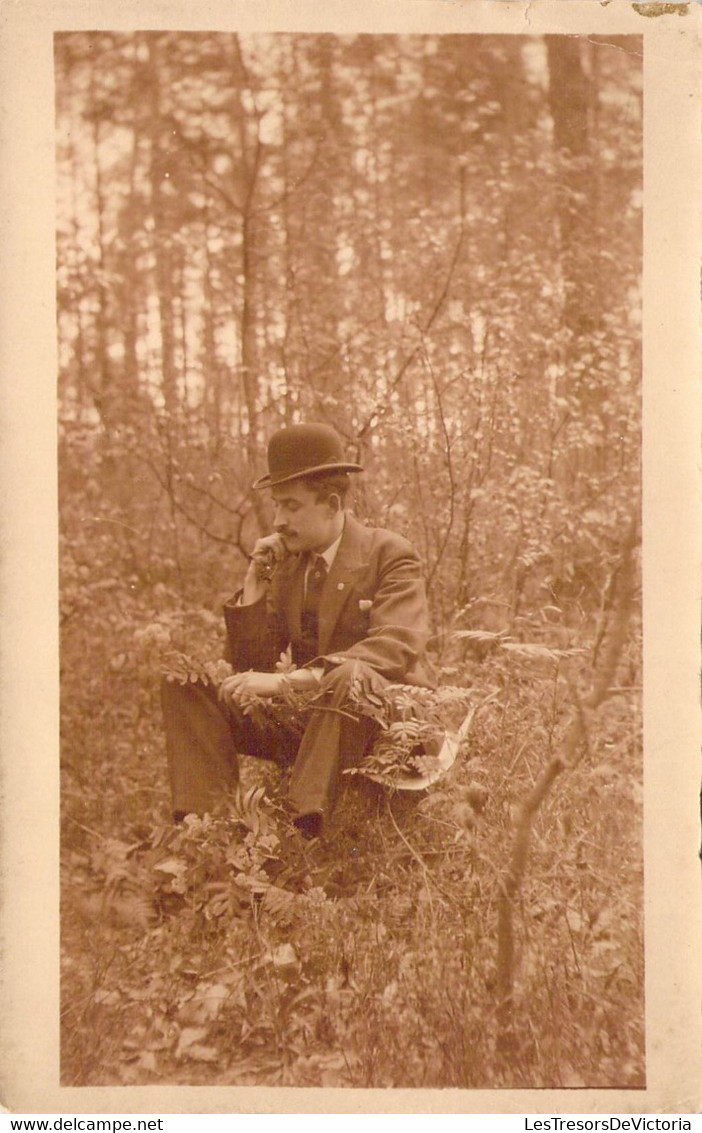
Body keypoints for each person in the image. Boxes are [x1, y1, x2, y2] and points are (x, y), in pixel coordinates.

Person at [161, 422, 434, 838]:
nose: (278, 521)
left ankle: (301, 828)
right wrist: (254, 585)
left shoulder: (389, 554)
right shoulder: (290, 565)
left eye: (291, 506)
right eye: (276, 507)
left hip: (385, 724)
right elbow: (251, 671)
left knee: (352, 675)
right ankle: (208, 829)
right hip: (311, 722)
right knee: (186, 681)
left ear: (332, 503)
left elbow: (396, 648)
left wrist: (286, 681)